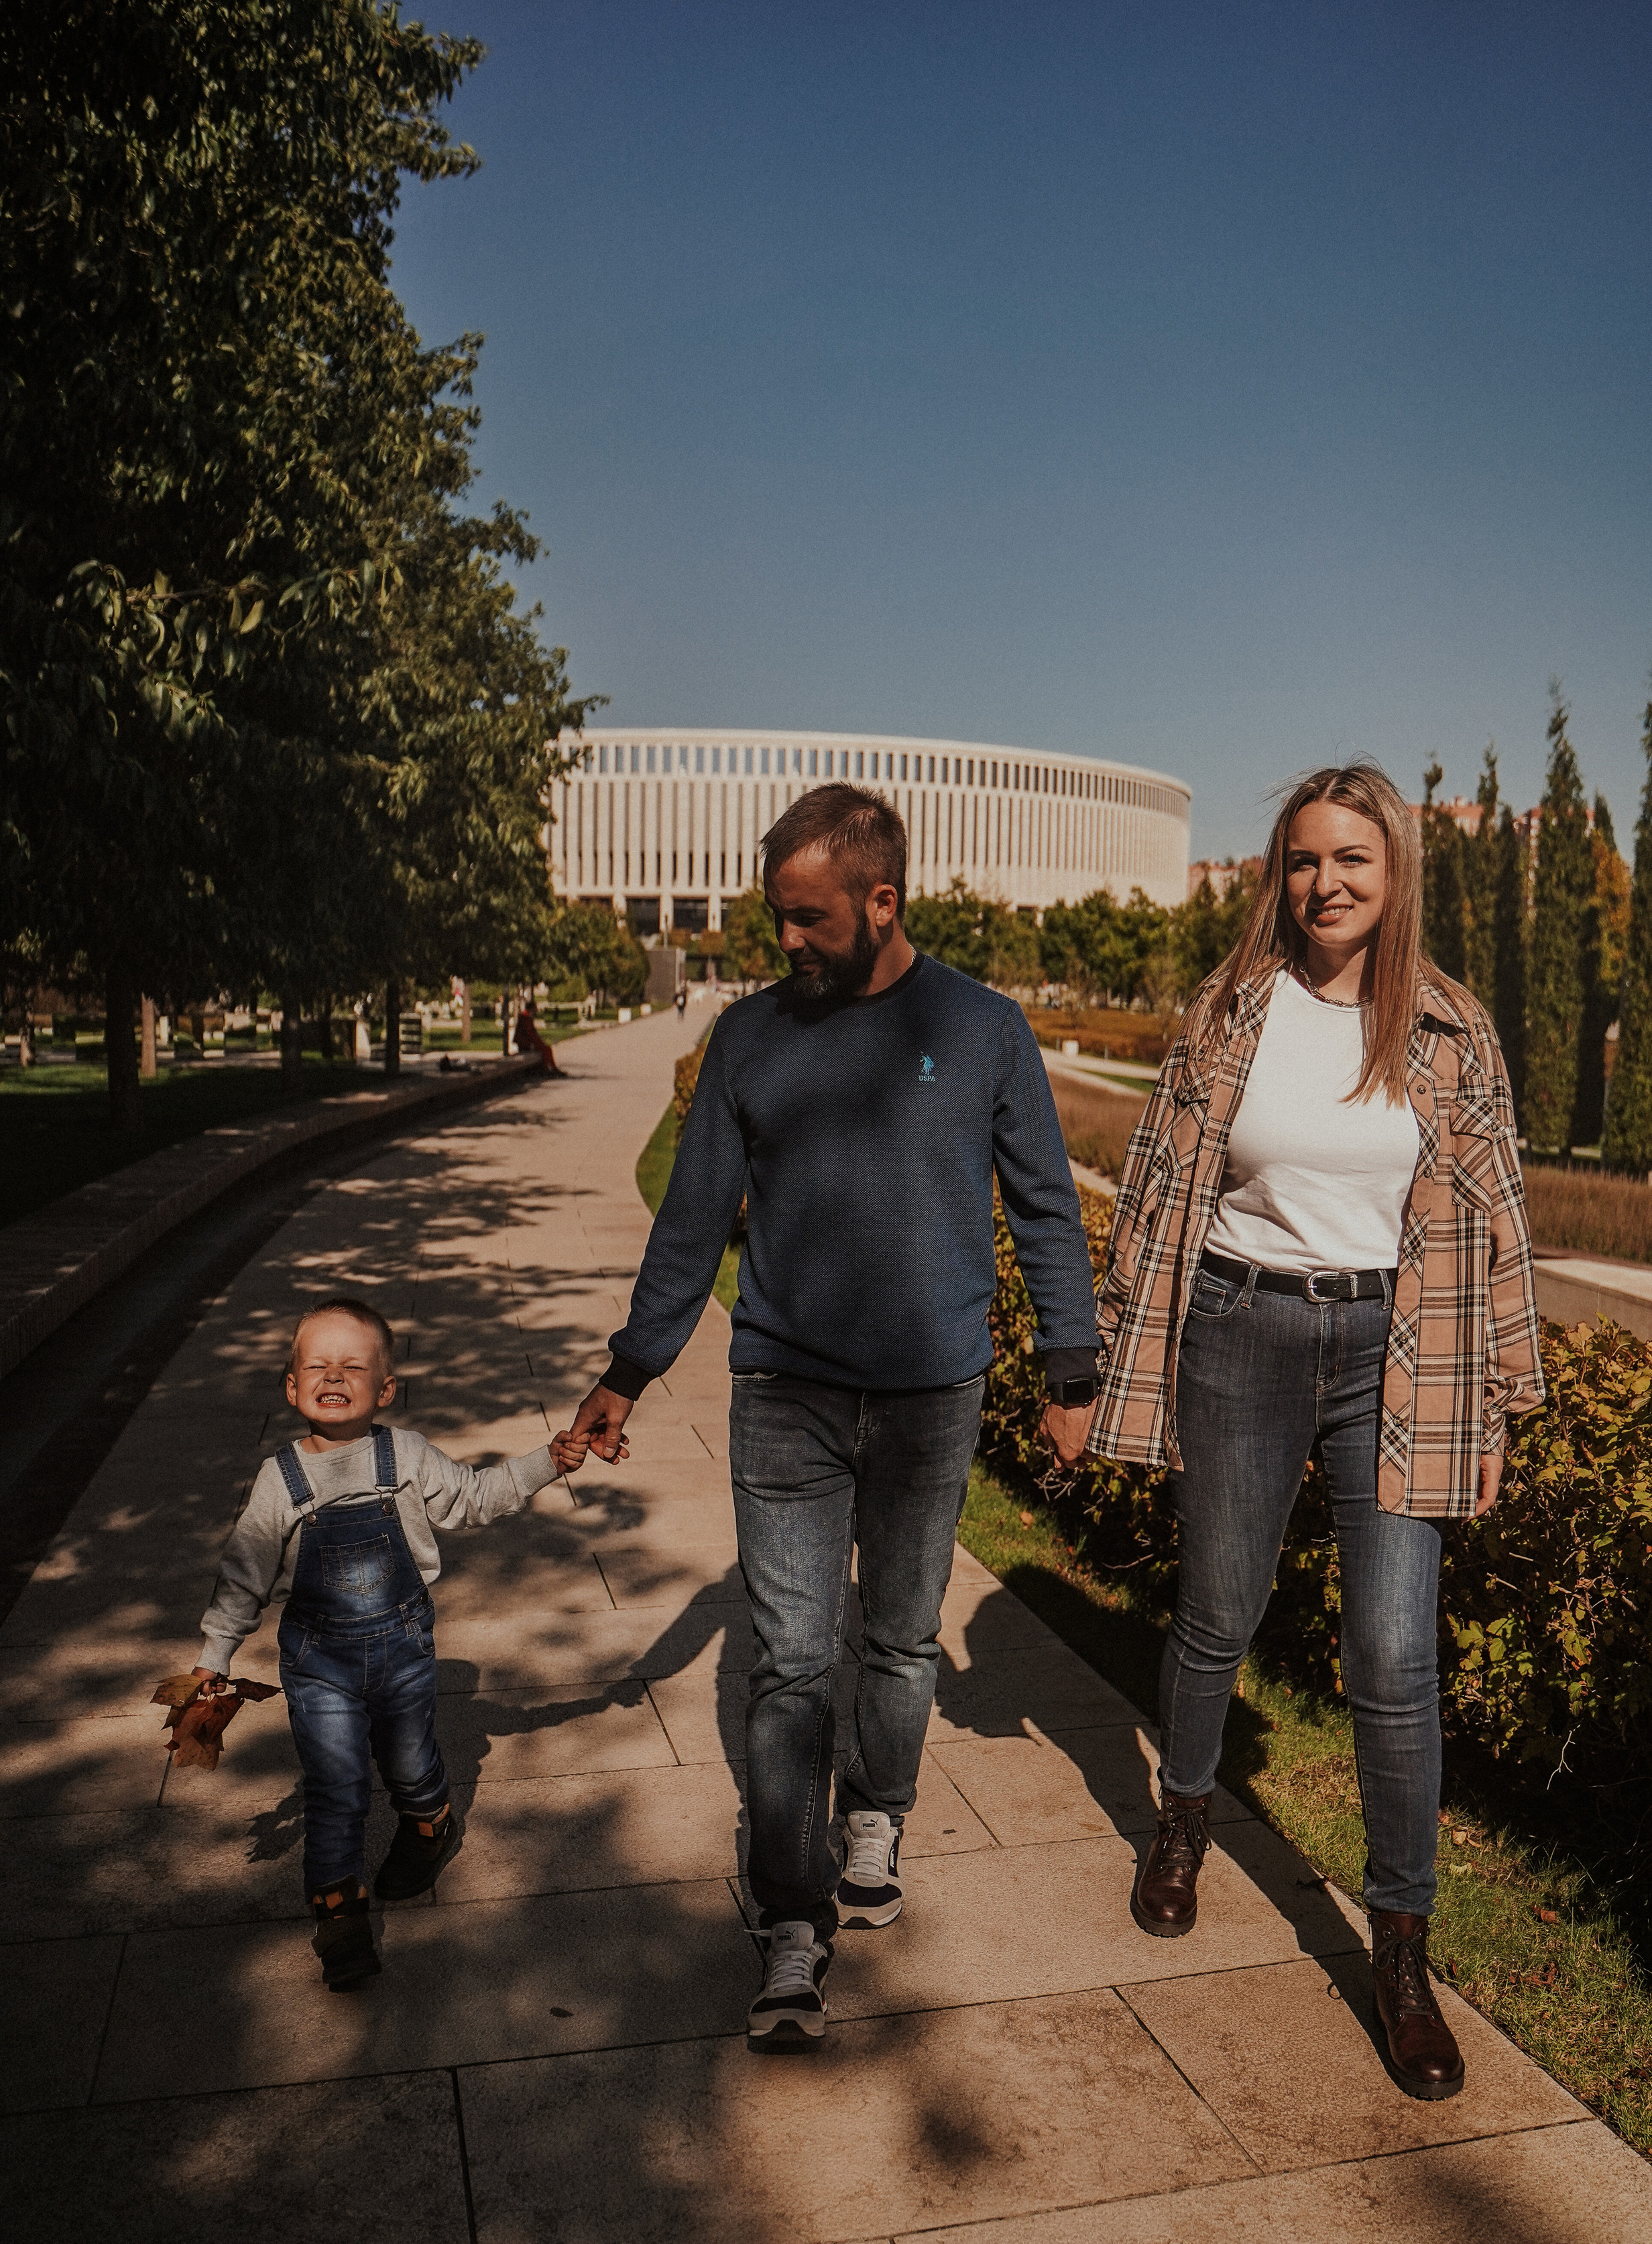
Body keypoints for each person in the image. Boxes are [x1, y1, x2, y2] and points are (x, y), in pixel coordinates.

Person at [563, 783, 1099, 2042]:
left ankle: (877, 1814)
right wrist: (629, 1370)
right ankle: (792, 1916)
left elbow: (1044, 1205)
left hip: (931, 1396)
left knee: (901, 1642)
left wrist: (1069, 1372)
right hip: (785, 1391)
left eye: (808, 918)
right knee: (794, 1660)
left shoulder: (981, 1028)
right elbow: (693, 1220)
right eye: (776, 916)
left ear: (883, 901)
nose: (785, 940)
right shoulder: (751, 1038)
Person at [1077, 763, 1543, 2101]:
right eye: (1301, 859)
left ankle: (1400, 1954)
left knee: (1392, 1654)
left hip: (1397, 1353)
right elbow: (1158, 1183)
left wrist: (1501, 1396)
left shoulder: (1448, 1027)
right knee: (1218, 1612)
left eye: (1349, 858)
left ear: (1393, 873)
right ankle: (1183, 1821)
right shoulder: (1231, 1008)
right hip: (1244, 1329)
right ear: (1277, 874)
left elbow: (1497, 1217)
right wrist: (1111, 1350)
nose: (1323, 883)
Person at [181, 1297, 587, 1990]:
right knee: (334, 1790)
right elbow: (244, 1571)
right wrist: (215, 1652)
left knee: (410, 1764)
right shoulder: (280, 1479)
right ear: (292, 1387)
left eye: (353, 1366)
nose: (334, 1376)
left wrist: (547, 1461)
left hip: (402, 1654)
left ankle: (431, 1824)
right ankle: (339, 1917)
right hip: (318, 1666)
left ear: (386, 1389)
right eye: (317, 1366)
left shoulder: (407, 1455)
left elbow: (476, 1496)